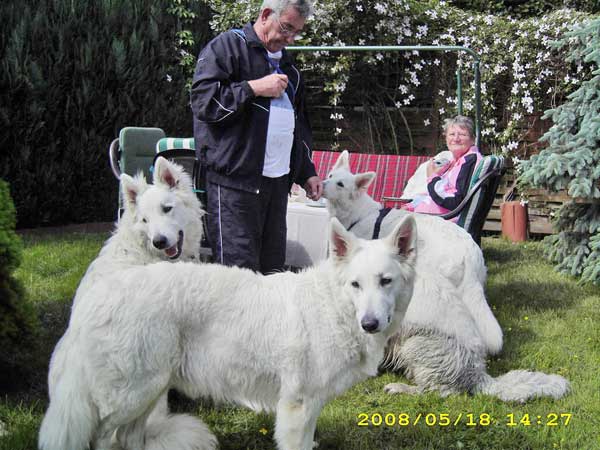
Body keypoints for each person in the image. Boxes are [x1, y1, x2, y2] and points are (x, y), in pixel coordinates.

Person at [190, 0, 322, 274]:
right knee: (238, 277)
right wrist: (253, 88)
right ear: (265, 15)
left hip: (277, 186)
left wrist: (307, 172)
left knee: (273, 275)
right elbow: (204, 102)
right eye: (286, 28)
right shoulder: (226, 47)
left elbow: (300, 127)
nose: (290, 39)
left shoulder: (290, 69)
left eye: (297, 33)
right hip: (234, 186)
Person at [402, 115, 482, 220]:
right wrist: (413, 205)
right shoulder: (457, 161)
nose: (456, 139)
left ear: (472, 139)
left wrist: (432, 177)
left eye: (462, 134)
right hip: (430, 218)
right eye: (452, 134)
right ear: (446, 138)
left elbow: (453, 200)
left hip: (442, 222)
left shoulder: (469, 161)